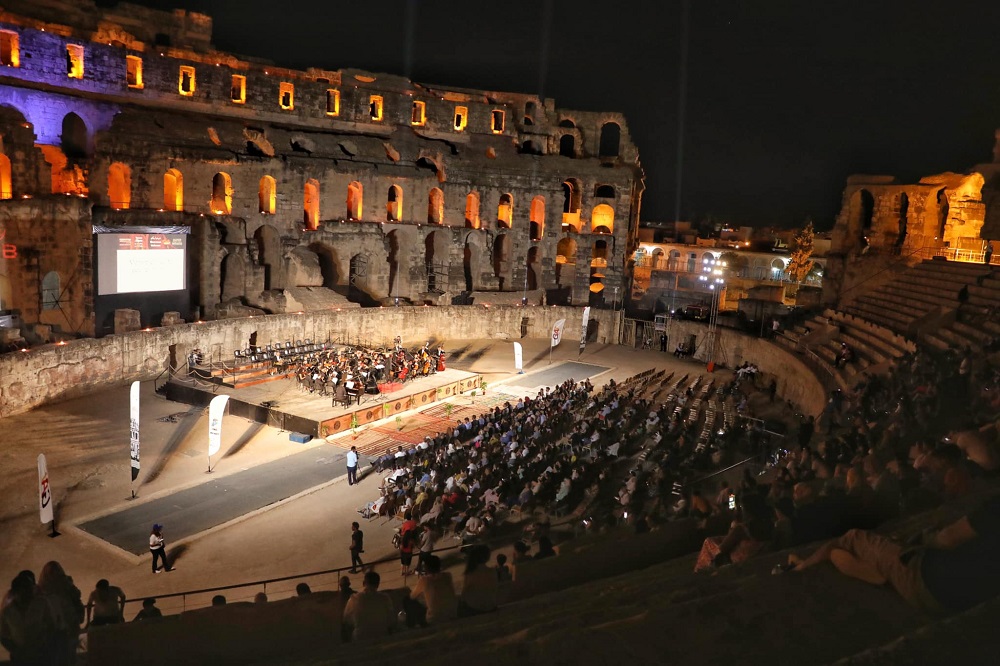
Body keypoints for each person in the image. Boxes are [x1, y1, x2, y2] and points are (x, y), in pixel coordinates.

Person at [789, 494, 1000, 613]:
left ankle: (802, 566)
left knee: (850, 538)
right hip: (971, 595)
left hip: (929, 585)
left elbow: (947, 539)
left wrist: (922, 546)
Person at [343, 571, 395, 644]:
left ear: (363, 583)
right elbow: (391, 621)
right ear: (378, 584)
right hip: (381, 638)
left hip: (360, 640)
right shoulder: (385, 598)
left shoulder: (354, 599)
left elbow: (346, 621)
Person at [407, 555, 458, 625]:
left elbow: (412, 596)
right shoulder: (447, 576)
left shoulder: (424, 580)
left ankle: (412, 624)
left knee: (408, 601)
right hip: (452, 614)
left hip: (434, 618)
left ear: (427, 568)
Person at [458, 545, 498, 617]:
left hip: (476, 608)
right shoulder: (492, 571)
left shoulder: (470, 573)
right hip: (491, 606)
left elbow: (463, 594)